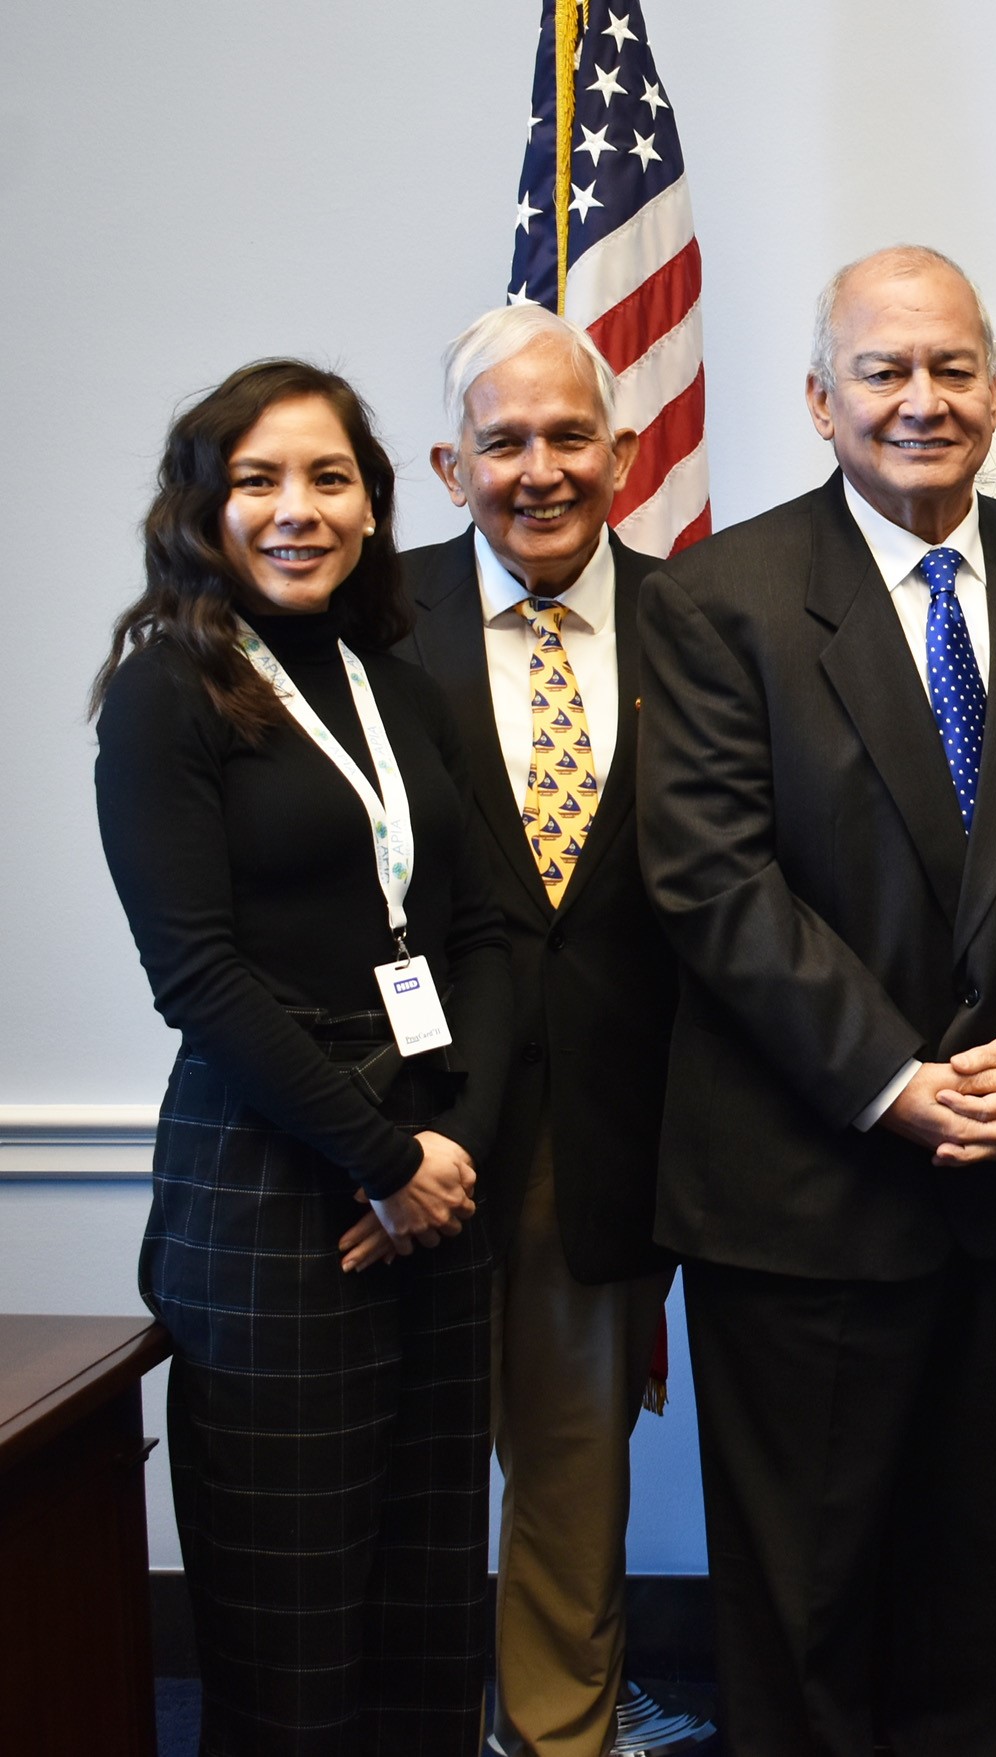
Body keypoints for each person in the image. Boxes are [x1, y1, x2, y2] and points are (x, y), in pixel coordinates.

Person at [635, 245, 996, 1756]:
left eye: (953, 368)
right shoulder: (715, 600)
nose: (922, 400)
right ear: (820, 398)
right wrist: (891, 1072)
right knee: (800, 1600)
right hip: (805, 1192)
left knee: (988, 1586)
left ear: (991, 393)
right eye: (884, 370)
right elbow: (710, 878)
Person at [91, 359, 510, 1752]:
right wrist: (380, 1159)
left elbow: (496, 932)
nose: (297, 509)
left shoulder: (403, 687)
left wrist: (449, 1154)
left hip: (436, 1175)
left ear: (376, 506)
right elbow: (196, 974)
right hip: (273, 1180)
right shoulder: (167, 693)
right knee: (294, 1618)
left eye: (330, 477)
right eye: (258, 479)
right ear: (203, 505)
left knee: (427, 1596)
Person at [397, 304, 710, 1757]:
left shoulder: (701, 628)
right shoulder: (366, 624)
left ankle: (558, 1735)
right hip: (401, 1133)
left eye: (568, 436)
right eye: (503, 440)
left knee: (578, 1482)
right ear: (450, 467)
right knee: (394, 1477)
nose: (539, 467)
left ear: (625, 452)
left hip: (606, 1134)